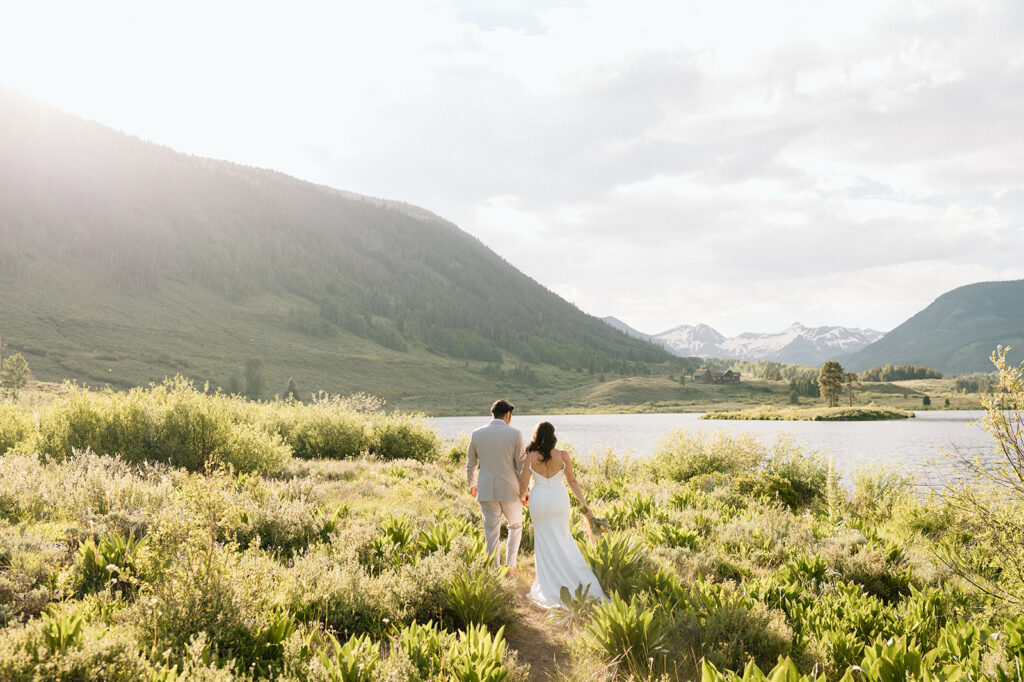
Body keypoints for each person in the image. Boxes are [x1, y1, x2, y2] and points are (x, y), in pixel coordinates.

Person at [519, 421, 607, 608]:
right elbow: (573, 482)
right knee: (563, 538)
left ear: (536, 436)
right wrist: (585, 505)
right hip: (559, 500)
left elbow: (522, 487)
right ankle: (577, 580)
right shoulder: (563, 455)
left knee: (543, 540)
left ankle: (549, 584)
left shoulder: (530, 456)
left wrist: (524, 497)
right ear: (553, 435)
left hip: (539, 500)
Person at [466, 399, 525, 573]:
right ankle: (511, 566)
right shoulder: (515, 434)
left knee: (491, 532)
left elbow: (471, 464)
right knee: (515, 526)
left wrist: (473, 485)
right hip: (510, 490)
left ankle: (493, 570)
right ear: (507, 415)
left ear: (493, 414)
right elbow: (521, 465)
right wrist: (525, 491)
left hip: (486, 490)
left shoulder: (477, 434)